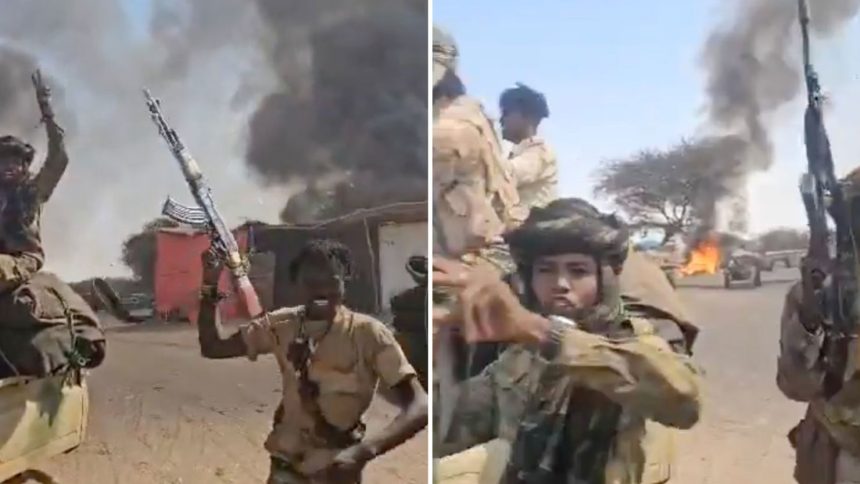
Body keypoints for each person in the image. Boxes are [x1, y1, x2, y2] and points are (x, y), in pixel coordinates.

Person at [434, 198, 702, 484]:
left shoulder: (634, 342)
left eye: (578, 271)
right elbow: (462, 435)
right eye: (545, 270)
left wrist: (545, 334)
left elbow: (684, 403)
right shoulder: (518, 355)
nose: (560, 284)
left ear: (605, 278)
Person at [196, 238, 428, 484]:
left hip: (336, 472)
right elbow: (213, 347)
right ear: (296, 284)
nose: (321, 291)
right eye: (311, 283)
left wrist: (364, 452)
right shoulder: (282, 326)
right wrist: (210, 283)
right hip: (286, 469)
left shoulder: (368, 334)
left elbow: (420, 406)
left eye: (331, 281)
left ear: (346, 279)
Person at [0, 70, 104, 378]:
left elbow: (59, 158)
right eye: (2, 162)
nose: (8, 167)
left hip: (22, 259)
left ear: (24, 166)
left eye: (14, 161)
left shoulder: (32, 192)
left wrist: (47, 111)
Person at [498, 83, 558, 211]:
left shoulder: (540, 152)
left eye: (506, 112)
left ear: (527, 117)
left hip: (534, 228)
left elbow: (508, 174)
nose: (502, 120)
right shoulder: (520, 152)